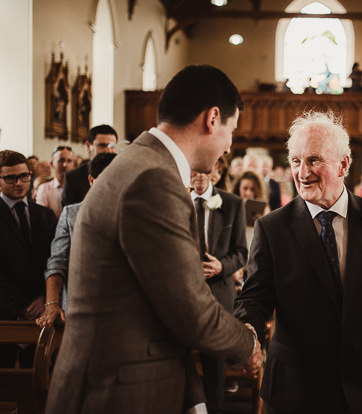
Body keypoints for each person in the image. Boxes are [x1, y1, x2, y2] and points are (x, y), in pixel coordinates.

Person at [46, 65, 262, 414]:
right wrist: (247, 342)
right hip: (117, 392)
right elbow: (189, 307)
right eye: (231, 130)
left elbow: (155, 300)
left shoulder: (137, 161)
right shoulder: (153, 178)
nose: (229, 144)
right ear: (213, 118)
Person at [234, 111, 362, 414]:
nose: (302, 172)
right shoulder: (272, 228)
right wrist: (248, 328)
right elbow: (254, 297)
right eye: (295, 161)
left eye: (314, 160)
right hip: (296, 384)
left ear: (344, 164)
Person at [191, 166, 248, 414]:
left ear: (214, 171)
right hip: (186, 296)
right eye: (195, 172)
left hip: (219, 296)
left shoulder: (232, 203)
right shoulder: (177, 200)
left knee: (214, 368)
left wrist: (221, 266)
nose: (200, 177)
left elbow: (241, 253)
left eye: (205, 172)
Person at [37, 153, 117, 328]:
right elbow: (56, 264)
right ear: (91, 180)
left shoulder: (133, 214)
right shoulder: (71, 215)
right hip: (79, 308)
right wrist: (52, 303)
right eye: (105, 180)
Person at [0, 150, 57, 367]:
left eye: (24, 176)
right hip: (5, 313)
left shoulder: (44, 215)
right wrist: (20, 309)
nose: (19, 183)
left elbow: (54, 260)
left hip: (41, 311)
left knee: (38, 380)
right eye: (10, 178)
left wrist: (45, 296)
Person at [61, 124, 118, 206]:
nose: (108, 150)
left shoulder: (124, 174)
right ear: (88, 146)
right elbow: (70, 214)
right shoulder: (72, 178)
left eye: (112, 146)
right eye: (102, 145)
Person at [35, 145, 75, 217]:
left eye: (69, 161)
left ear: (74, 165)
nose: (65, 165)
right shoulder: (44, 189)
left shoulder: (79, 187)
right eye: (61, 160)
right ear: (52, 164)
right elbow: (42, 216)